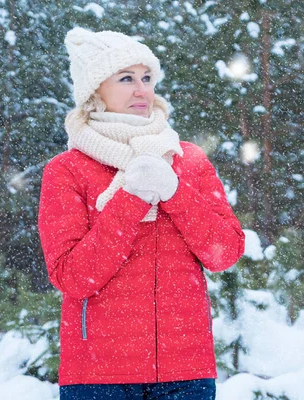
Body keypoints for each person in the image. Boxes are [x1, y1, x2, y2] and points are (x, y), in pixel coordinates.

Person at [38, 27, 245, 400]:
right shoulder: (67, 170)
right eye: (126, 78)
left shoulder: (187, 160)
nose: (141, 90)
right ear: (95, 90)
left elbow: (224, 252)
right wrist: (132, 197)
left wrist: (173, 191)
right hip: (99, 375)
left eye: (147, 77)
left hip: (187, 372)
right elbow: (73, 277)